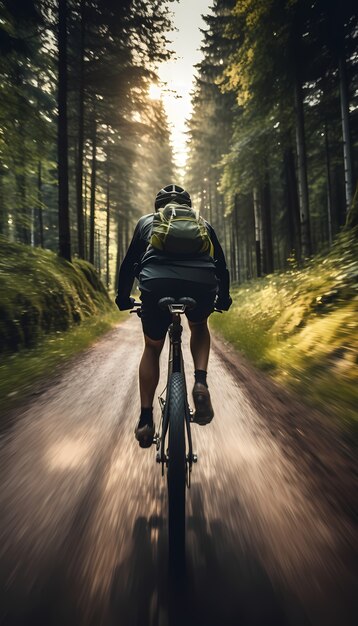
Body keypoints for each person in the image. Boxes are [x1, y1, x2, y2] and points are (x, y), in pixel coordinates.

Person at [115, 184, 232, 447]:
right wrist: (223, 298)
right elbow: (221, 267)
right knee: (199, 324)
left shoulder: (147, 222)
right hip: (200, 284)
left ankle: (146, 420)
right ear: (187, 207)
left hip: (157, 286)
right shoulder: (202, 223)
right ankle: (200, 382)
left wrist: (123, 298)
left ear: (158, 207)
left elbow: (129, 264)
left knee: (153, 346)